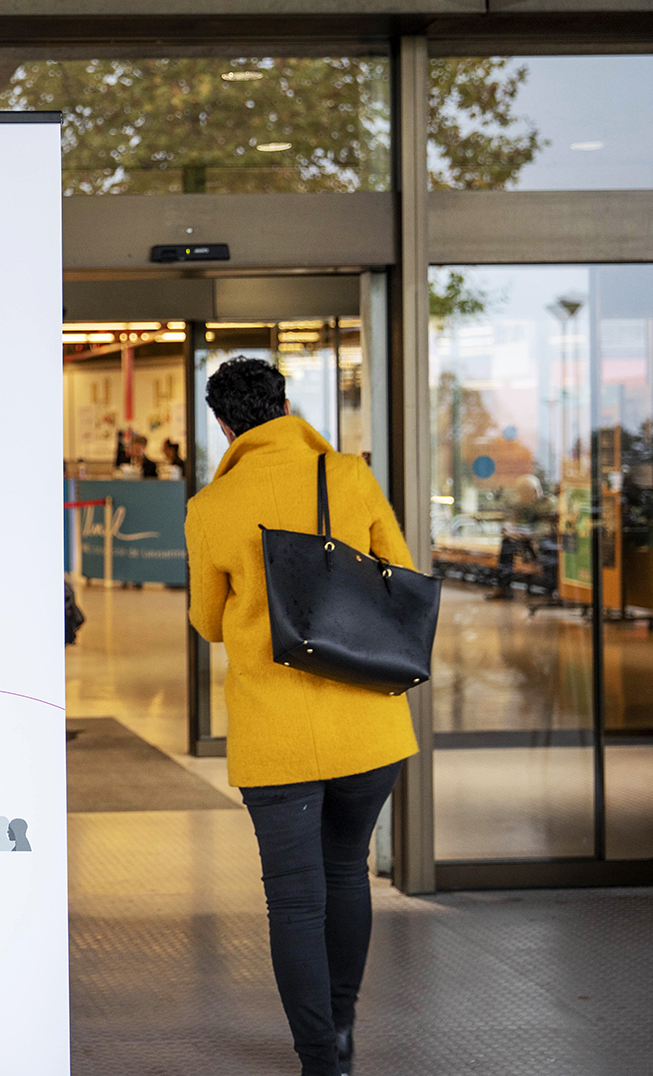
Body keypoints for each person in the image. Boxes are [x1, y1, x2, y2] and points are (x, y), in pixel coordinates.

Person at [185, 357, 417, 1076]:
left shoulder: (211, 506)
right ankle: (342, 1028)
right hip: (368, 726)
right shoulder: (349, 476)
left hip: (275, 734)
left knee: (294, 901)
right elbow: (400, 573)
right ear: (287, 406)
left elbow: (208, 622)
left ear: (223, 426)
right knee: (346, 871)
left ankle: (321, 1061)